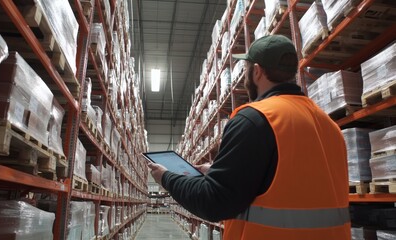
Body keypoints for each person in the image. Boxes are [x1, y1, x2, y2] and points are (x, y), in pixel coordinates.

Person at [147, 35, 350, 239]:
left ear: (257, 71)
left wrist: (166, 177)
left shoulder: (256, 119)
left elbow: (213, 203)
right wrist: (218, 173)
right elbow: (293, 181)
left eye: (245, 69)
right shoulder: (328, 125)